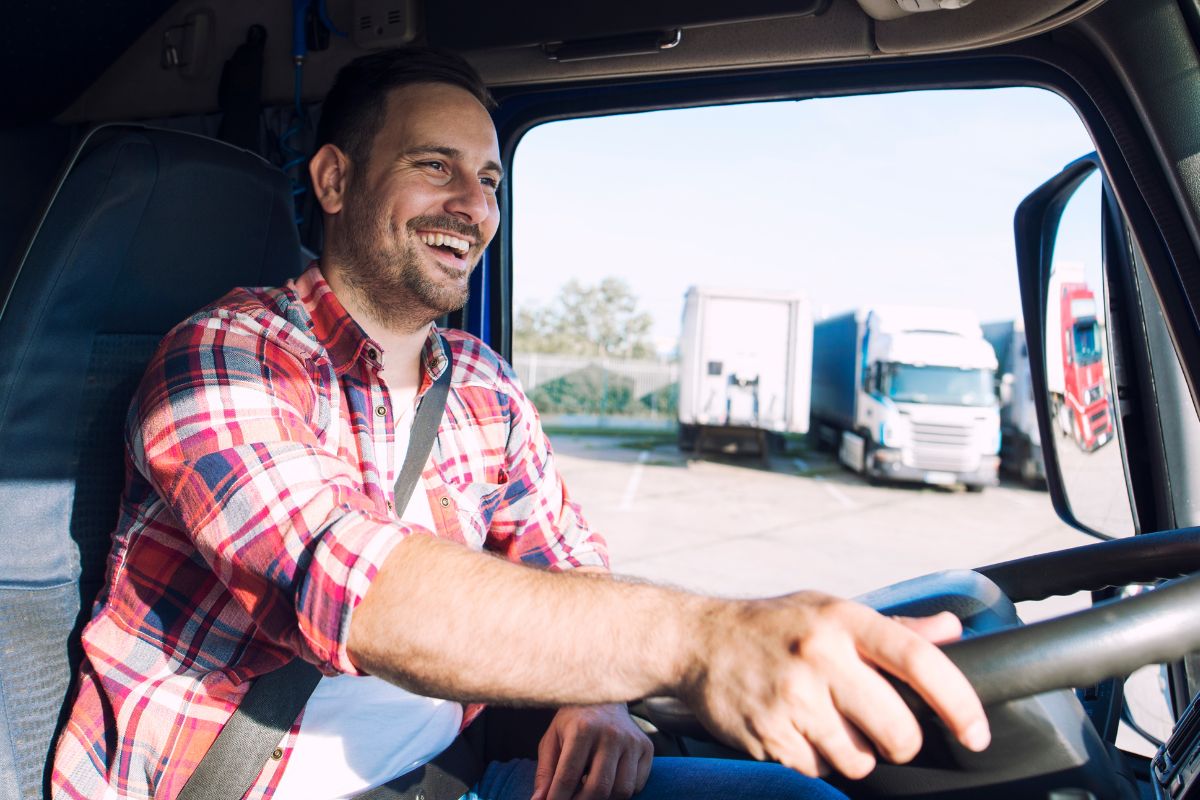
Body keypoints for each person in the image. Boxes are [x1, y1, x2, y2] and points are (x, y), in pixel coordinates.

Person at [51, 47, 990, 800]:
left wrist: (602, 697)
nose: (475, 206)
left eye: (491, 180)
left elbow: (563, 556)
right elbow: (354, 586)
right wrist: (705, 641)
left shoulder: (483, 387)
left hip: (451, 780)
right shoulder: (225, 355)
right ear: (335, 180)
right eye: (435, 168)